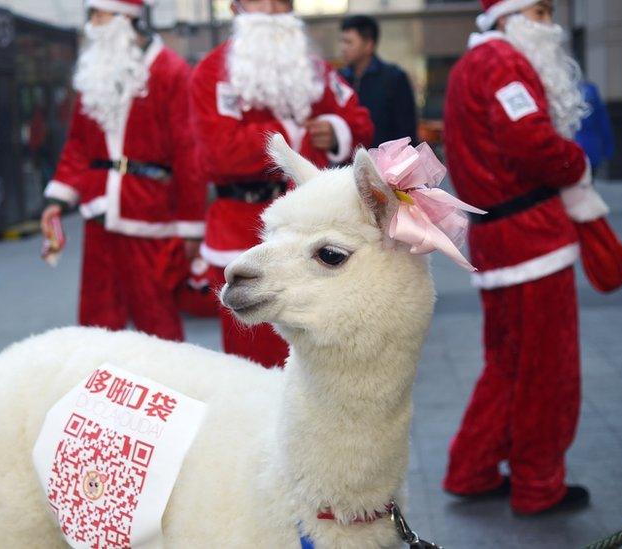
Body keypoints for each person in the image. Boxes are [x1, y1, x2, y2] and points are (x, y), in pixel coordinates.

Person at [441, 0, 599, 515]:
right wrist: (576, 162)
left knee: (506, 363)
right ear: (509, 17)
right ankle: (538, 483)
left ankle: (472, 467)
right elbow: (531, 142)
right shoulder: (504, 63)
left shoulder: (471, 65)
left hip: (495, 236)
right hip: (531, 236)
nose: (549, 25)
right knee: (546, 369)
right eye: (540, 12)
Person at [189, 0, 373, 368]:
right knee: (252, 366)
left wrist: (336, 130)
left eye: (284, 1)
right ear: (235, 6)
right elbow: (220, 152)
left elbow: (357, 119)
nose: (274, 7)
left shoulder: (313, 69)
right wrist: (295, 133)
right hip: (241, 229)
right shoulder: (211, 72)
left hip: (314, 237)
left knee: (323, 362)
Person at [40, 0, 205, 341]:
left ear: (125, 18)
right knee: (97, 319)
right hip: (98, 209)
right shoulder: (93, 72)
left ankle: (167, 389)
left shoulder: (170, 70)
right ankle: (97, 389)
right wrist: (58, 198)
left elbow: (189, 153)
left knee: (156, 320)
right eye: (92, 15)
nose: (93, 24)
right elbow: (78, 143)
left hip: (149, 215)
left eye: (100, 15)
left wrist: (191, 226)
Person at [338, 15, 418, 146]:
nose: (343, 48)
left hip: (384, 163)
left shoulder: (394, 78)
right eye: (342, 41)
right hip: (347, 164)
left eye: (349, 42)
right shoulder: (339, 80)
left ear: (369, 45)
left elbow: (406, 132)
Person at [574, 80, 614, 173]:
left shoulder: (569, 101)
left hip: (575, 148)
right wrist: (608, 150)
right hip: (593, 147)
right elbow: (604, 126)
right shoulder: (595, 99)